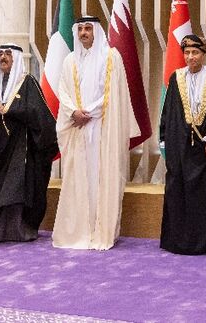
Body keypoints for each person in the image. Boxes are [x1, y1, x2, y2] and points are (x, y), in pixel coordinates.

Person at [52, 16, 138, 250]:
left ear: (96, 31)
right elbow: (63, 91)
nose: (83, 33)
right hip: (78, 128)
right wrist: (73, 112)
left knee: (101, 177)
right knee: (79, 177)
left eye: (88, 28)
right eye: (80, 29)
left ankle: (101, 231)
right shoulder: (70, 60)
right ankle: (80, 230)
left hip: (102, 128)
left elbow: (114, 93)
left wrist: (88, 111)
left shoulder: (111, 57)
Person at [0, 44, 59, 242]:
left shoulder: (27, 82)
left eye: (8, 54)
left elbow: (38, 113)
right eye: (1, 53)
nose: (3, 57)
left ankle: (20, 230)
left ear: (17, 58)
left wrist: (12, 110)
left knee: (19, 186)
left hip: (21, 148)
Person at [159, 35, 206, 255]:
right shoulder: (176, 77)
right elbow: (169, 111)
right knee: (179, 191)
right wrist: (165, 138)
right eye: (187, 53)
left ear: (203, 54)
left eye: (195, 53)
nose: (191, 57)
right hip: (180, 147)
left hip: (205, 149)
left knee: (205, 195)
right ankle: (179, 241)